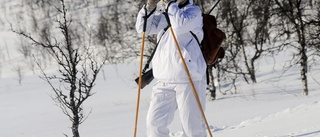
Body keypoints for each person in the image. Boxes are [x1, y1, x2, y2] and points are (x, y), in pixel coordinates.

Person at [135, 0, 207, 136]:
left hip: (188, 77)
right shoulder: (164, 15)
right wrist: (149, 7)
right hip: (163, 78)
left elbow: (179, 25)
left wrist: (169, 5)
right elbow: (142, 27)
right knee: (154, 124)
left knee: (192, 127)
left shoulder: (193, 13)